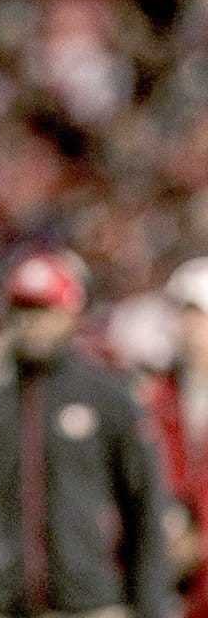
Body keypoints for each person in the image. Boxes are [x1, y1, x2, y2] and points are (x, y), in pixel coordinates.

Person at [0, 252, 179, 618]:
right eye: (23, 309)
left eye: (43, 309)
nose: (32, 322)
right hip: (0, 603)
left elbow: (145, 508)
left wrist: (150, 605)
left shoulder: (109, 400)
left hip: (91, 602)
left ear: (71, 311)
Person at [153, 258, 208, 618]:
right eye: (183, 316)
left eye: (198, 316)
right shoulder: (157, 398)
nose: (189, 328)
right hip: (172, 577)